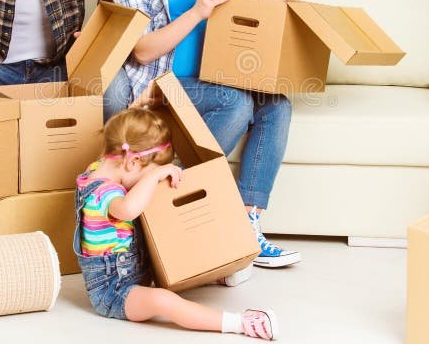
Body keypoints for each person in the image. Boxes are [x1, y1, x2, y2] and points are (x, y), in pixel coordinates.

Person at [99, 0, 300, 269]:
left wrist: (265, 33)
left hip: (220, 74)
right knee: (236, 103)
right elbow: (141, 49)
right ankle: (166, 195)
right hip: (164, 83)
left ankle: (247, 224)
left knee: (276, 100)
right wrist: (197, 12)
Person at [74, 107, 278, 340]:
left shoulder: (100, 168)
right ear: (132, 161)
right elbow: (128, 210)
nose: (145, 180)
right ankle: (239, 323)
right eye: (144, 173)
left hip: (137, 271)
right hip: (115, 291)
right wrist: (153, 176)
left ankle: (210, 274)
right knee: (164, 301)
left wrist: (150, 169)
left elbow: (124, 138)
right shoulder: (101, 192)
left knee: (170, 254)